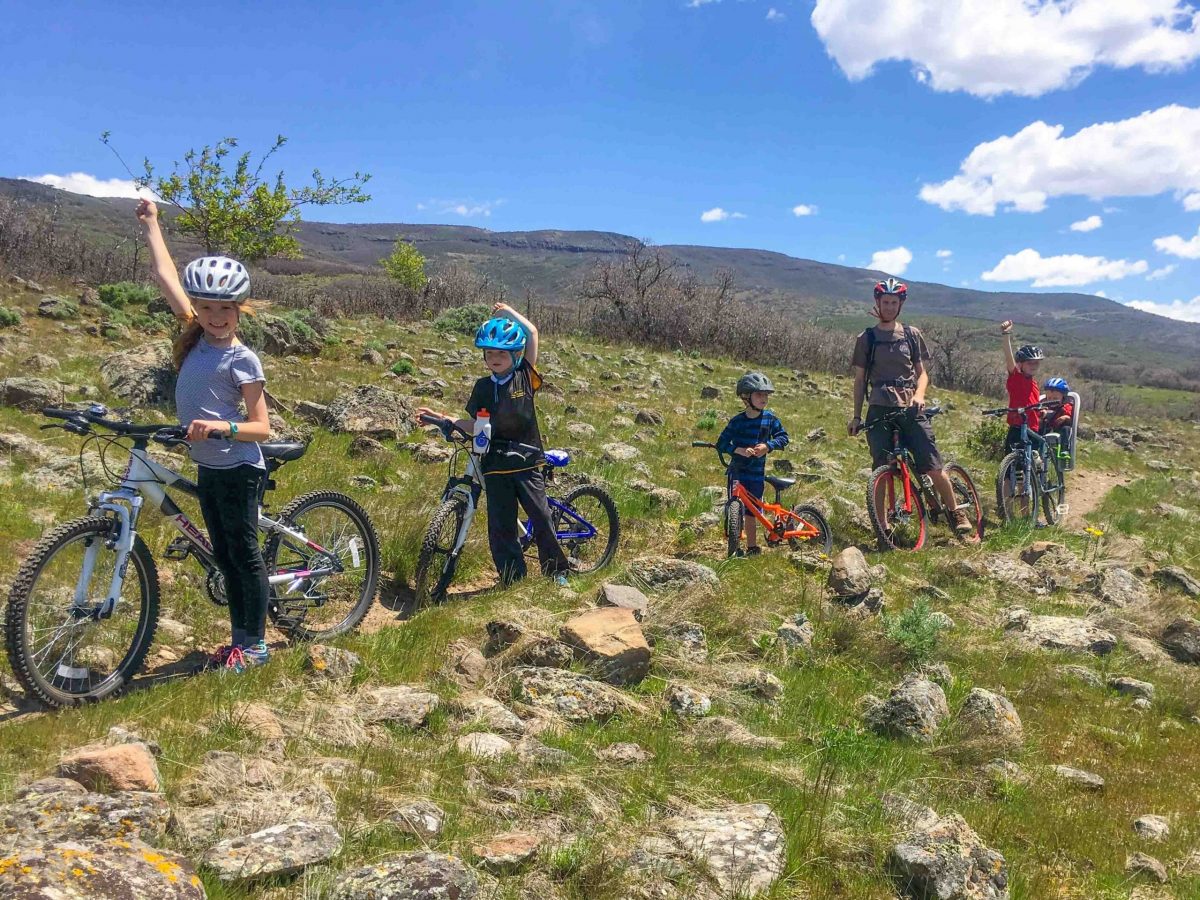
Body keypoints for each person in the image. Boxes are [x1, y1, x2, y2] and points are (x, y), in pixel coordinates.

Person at [136, 199, 272, 674]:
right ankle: (242, 640)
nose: (216, 316)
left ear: (240, 309)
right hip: (208, 464)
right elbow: (164, 274)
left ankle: (253, 647)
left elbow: (261, 427)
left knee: (241, 554)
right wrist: (153, 224)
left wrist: (220, 427)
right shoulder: (193, 334)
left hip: (238, 466)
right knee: (223, 553)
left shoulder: (243, 359)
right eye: (208, 307)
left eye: (226, 308)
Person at [415, 303, 570, 587]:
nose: (495, 358)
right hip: (495, 463)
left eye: (501, 353)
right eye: (489, 353)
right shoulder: (483, 388)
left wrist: (508, 311)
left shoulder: (525, 375)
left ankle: (557, 570)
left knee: (541, 515)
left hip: (526, 461)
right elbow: (478, 425)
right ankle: (513, 578)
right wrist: (445, 419)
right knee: (501, 526)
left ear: (515, 354)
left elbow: (532, 332)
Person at [850, 278, 978, 541]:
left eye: (893, 302)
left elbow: (922, 374)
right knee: (882, 469)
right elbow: (860, 380)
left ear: (900, 304)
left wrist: (920, 395)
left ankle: (956, 512)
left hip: (910, 406)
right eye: (884, 302)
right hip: (879, 408)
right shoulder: (867, 338)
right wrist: (856, 415)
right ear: (878, 303)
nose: (888, 306)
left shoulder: (911, 334)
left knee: (932, 466)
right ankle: (882, 527)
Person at [716, 372, 790, 556]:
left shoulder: (769, 419)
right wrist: (737, 449)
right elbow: (722, 443)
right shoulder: (737, 421)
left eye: (766, 395)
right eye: (759, 394)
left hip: (756, 473)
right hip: (737, 471)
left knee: (752, 511)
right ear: (746, 397)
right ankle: (733, 542)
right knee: (734, 504)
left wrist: (768, 446)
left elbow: (783, 437)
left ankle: (752, 546)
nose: (764, 398)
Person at [999, 321, 1044, 450]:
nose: (1033, 366)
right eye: (1030, 363)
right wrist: (1006, 334)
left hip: (1033, 430)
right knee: (1011, 466)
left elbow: (1034, 405)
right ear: (1020, 364)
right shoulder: (1016, 378)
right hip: (1017, 426)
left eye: (1036, 363)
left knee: (1032, 464)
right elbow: (1009, 357)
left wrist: (1042, 412)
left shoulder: (1034, 384)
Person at [1040, 376, 1075, 462]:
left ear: (1063, 397)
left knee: (1066, 429)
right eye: (1049, 398)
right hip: (1046, 428)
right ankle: (1037, 449)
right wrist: (1042, 413)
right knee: (1038, 428)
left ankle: (1064, 450)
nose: (1051, 401)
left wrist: (1065, 417)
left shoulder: (1066, 406)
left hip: (1059, 429)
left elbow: (1071, 420)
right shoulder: (1044, 405)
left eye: (1055, 399)